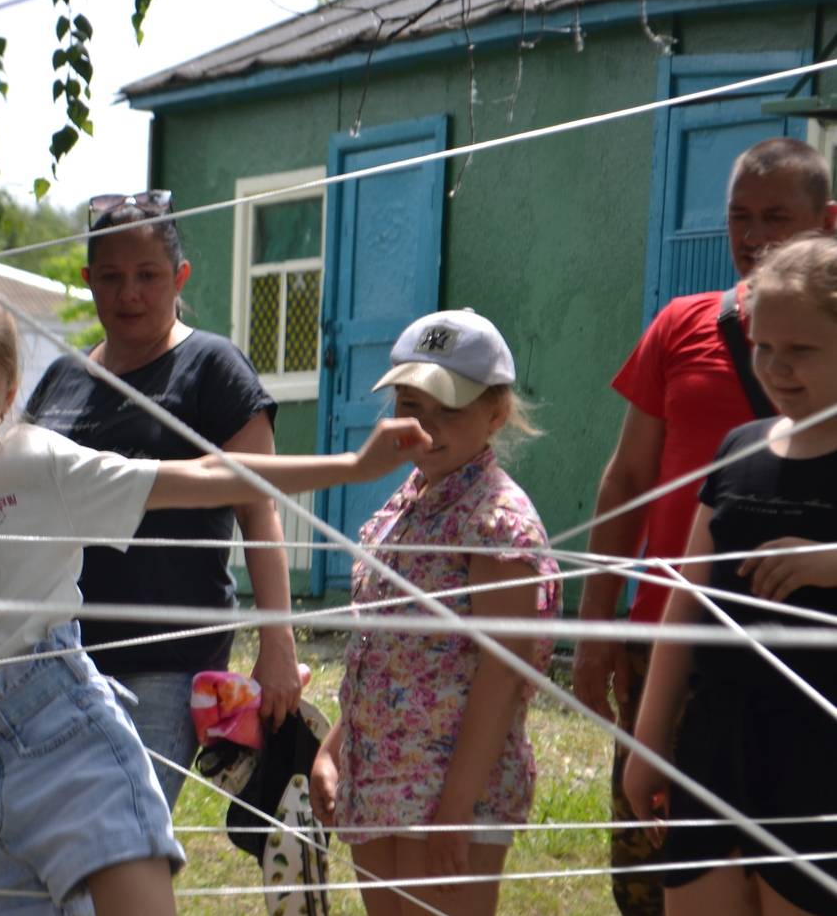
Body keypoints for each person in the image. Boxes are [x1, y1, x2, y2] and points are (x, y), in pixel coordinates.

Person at [0, 278, 433, 916]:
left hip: (70, 736)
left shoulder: (36, 463)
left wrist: (353, 465)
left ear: (9, 395)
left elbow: (204, 475)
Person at [572, 137, 837, 915]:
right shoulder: (724, 418)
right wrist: (606, 641)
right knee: (661, 889)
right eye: (738, 216)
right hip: (703, 704)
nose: (753, 236)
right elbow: (644, 512)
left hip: (816, 729)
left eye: (775, 217)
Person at [25, 191, 301, 808]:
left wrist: (278, 643)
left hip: (166, 659)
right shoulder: (63, 378)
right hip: (58, 654)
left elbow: (259, 509)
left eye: (148, 275)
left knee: (127, 829)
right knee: (60, 830)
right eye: (111, 277)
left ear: (179, 278)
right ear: (87, 280)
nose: (129, 293)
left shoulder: (213, 368)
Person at [308, 309, 561, 916]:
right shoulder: (406, 503)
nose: (425, 426)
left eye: (448, 409)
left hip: (450, 788)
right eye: (410, 405)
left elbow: (503, 671)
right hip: (381, 777)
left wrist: (457, 806)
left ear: (496, 413)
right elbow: (383, 649)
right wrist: (334, 748)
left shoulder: (495, 521)